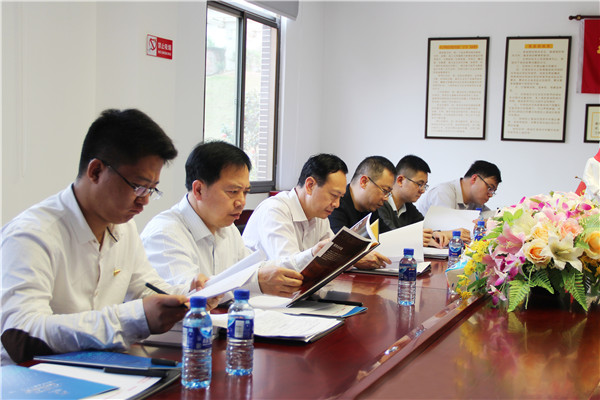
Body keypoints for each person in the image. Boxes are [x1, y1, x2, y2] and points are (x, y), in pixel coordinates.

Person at [1, 109, 214, 365]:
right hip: (33, 376)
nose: (144, 200)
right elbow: (20, 334)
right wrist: (134, 318)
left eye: (151, 189)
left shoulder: (124, 228)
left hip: (96, 367)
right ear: (95, 171)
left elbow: (144, 287)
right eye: (138, 186)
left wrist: (188, 295)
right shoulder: (32, 235)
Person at [141, 141, 304, 298]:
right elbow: (192, 297)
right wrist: (256, 283)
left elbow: (252, 270)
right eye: (233, 192)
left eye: (245, 192)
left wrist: (308, 258)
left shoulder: (227, 228)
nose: (241, 202)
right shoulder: (165, 234)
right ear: (198, 190)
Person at [243, 153, 386, 270]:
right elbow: (286, 267)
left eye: (340, 197)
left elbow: (335, 254)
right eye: (333, 195)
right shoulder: (275, 210)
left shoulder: (319, 216)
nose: (336, 204)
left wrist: (355, 257)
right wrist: (314, 253)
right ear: (310, 185)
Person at [326, 155, 395, 268]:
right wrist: (355, 258)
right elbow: (337, 249)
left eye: (388, 193)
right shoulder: (336, 206)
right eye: (384, 191)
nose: (386, 198)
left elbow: (386, 236)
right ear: (364, 182)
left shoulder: (370, 207)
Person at [378, 155, 448, 248]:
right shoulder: (380, 203)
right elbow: (389, 234)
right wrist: (415, 238)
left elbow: (423, 227)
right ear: (400, 180)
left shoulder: (408, 206)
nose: (422, 190)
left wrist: (434, 234)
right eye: (419, 184)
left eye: (425, 185)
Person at [416, 159, 501, 221]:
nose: (490, 195)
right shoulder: (443, 192)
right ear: (474, 179)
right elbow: (446, 227)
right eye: (490, 188)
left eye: (493, 191)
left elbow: (494, 218)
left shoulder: (476, 202)